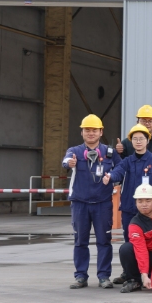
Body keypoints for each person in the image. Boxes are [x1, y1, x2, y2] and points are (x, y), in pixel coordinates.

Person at [63, 115, 121, 288]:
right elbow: (66, 161)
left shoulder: (110, 153)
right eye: (87, 130)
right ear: (82, 132)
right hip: (80, 203)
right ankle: (81, 276)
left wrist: (112, 176)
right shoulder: (74, 151)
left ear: (101, 132)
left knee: (104, 241)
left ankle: (104, 276)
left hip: (102, 203)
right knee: (80, 241)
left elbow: (121, 167)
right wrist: (69, 163)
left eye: (94, 130)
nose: (91, 133)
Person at [105, 124, 152, 242]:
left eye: (141, 139)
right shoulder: (127, 161)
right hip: (129, 208)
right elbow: (118, 172)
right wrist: (110, 176)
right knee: (130, 240)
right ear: (131, 141)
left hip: (149, 210)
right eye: (135, 139)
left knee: (151, 240)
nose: (138, 142)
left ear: (147, 140)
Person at [115, 103, 152, 173]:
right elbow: (119, 166)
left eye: (150, 121)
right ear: (137, 122)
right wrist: (118, 152)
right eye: (143, 120)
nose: (147, 123)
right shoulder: (127, 142)